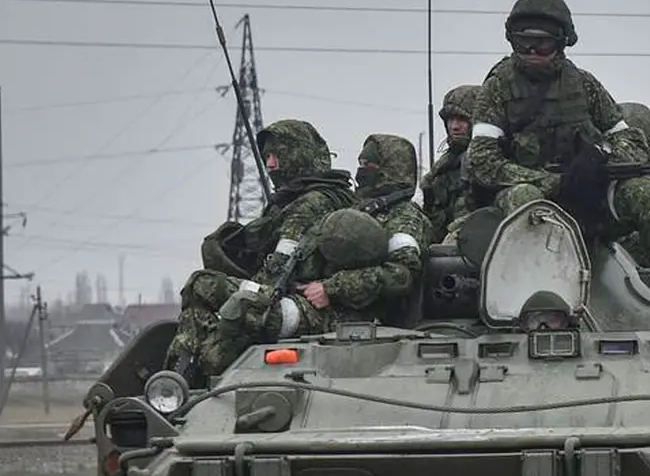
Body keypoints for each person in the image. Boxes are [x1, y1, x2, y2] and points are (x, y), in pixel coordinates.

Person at [465, 0, 650, 333]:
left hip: (589, 194)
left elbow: (631, 140)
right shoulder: (497, 88)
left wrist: (599, 158)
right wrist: (552, 182)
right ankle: (536, 309)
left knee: (649, 196)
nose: (532, 53)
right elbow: (482, 161)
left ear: (562, 42)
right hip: (528, 193)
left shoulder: (583, 86)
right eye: (524, 44)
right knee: (530, 205)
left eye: (542, 45)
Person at [165, 119, 357, 378]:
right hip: (290, 300)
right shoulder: (295, 201)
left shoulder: (311, 204)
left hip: (308, 309)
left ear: (297, 154)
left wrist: (236, 291)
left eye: (277, 156)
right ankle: (174, 383)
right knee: (197, 315)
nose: (270, 165)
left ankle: (177, 382)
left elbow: (277, 271)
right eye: (267, 157)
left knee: (202, 284)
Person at [168, 208, 393, 379]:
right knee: (199, 300)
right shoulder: (320, 221)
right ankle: (175, 382)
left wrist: (330, 289)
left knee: (227, 297)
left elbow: (398, 276)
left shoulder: (380, 244)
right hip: (302, 302)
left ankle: (200, 369)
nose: (271, 164)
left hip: (327, 317)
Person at [353, 133, 434, 326]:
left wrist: (331, 288)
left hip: (387, 323)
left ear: (389, 170)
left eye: (368, 165)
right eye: (361, 163)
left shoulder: (406, 216)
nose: (361, 171)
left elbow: (400, 275)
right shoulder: (361, 211)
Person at [420, 85, 482, 243]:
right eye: (450, 120)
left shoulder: (490, 161)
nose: (454, 126)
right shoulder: (442, 168)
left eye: (462, 120)